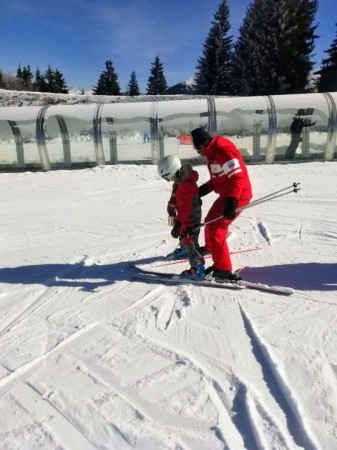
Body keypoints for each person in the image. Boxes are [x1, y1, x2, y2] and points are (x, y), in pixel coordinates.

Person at [191, 127, 253, 281]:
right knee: (210, 220)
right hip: (227, 194)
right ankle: (211, 248)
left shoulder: (223, 151)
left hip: (237, 195)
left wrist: (232, 202)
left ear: (205, 143)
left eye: (198, 147)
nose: (198, 151)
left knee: (216, 227)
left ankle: (223, 269)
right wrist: (200, 191)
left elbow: (238, 178)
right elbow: (218, 179)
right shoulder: (213, 154)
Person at [158, 155, 205, 279]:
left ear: (173, 170)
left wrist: (179, 224)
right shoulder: (183, 180)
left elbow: (185, 208)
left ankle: (198, 270)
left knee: (191, 243)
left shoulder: (185, 185)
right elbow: (182, 205)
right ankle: (191, 258)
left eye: (169, 177)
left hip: (190, 218)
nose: (171, 180)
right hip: (188, 217)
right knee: (187, 240)